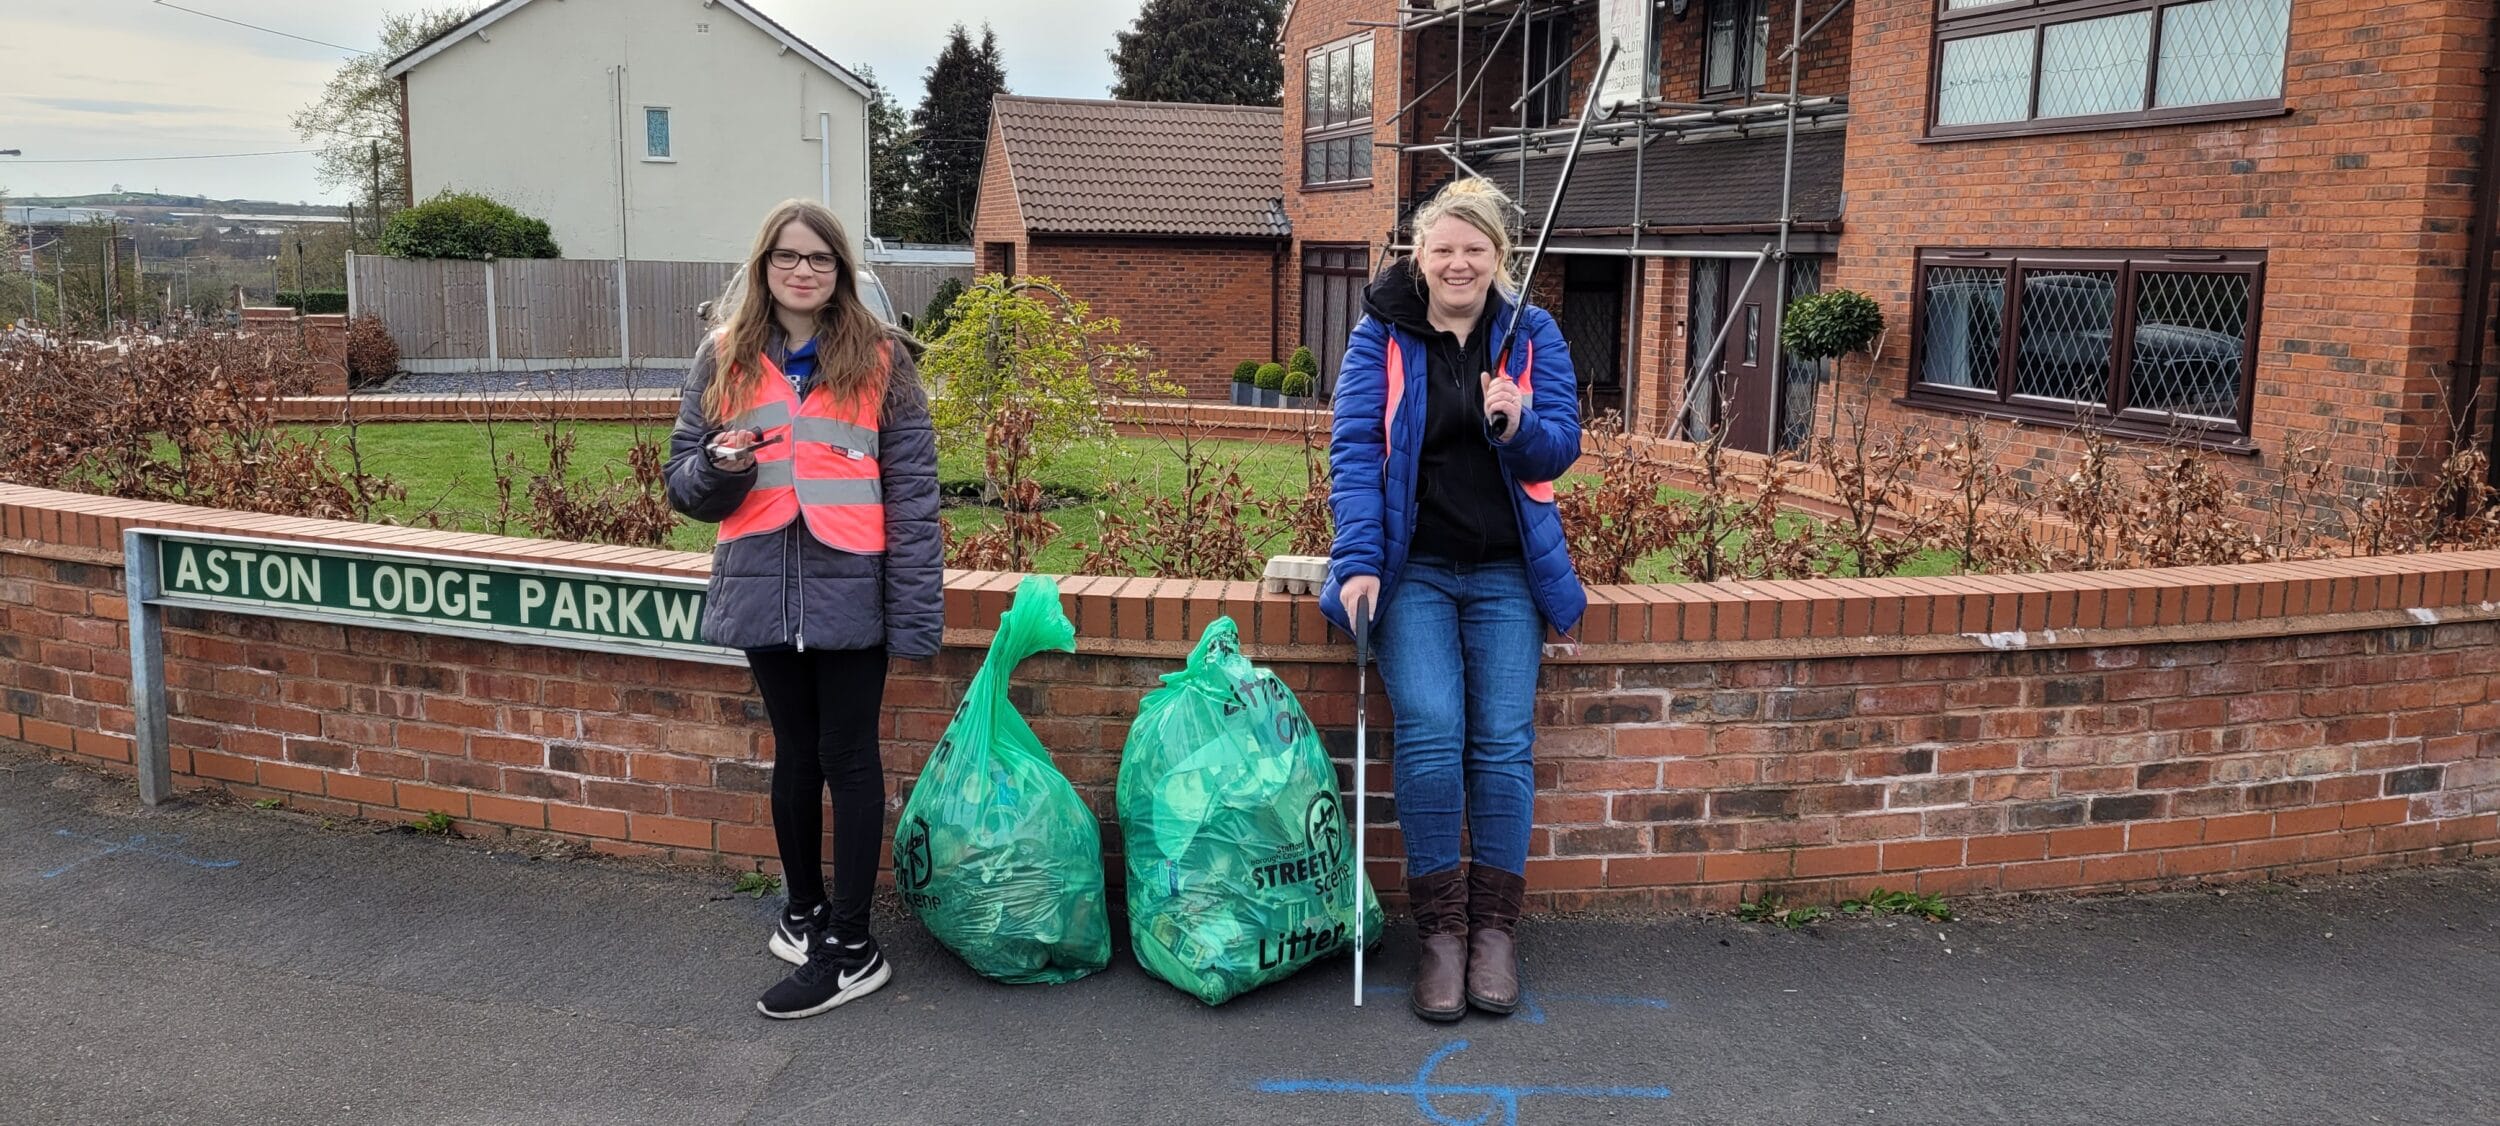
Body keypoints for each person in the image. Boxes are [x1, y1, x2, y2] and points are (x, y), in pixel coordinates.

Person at [665, 199, 942, 1020]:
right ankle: (804, 913)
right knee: (794, 755)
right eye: (788, 256)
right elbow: (683, 483)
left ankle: (853, 949)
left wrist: (915, 615)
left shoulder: (885, 360)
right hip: (759, 584)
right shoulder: (721, 356)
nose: (803, 271)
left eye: (820, 259)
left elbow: (914, 497)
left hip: (851, 588)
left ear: (841, 270)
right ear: (764, 266)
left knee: (849, 758)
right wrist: (718, 464)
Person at [1320, 177, 1585, 1023]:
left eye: (1476, 249)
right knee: (1431, 732)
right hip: (1418, 571)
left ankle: (1495, 933)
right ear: (1420, 255)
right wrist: (1358, 560)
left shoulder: (1532, 335)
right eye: (1444, 248)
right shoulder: (1381, 336)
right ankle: (1439, 934)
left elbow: (1562, 449)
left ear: (1497, 258)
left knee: (1502, 743)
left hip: (1508, 570)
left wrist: (1519, 423)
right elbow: (1356, 448)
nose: (1459, 262)